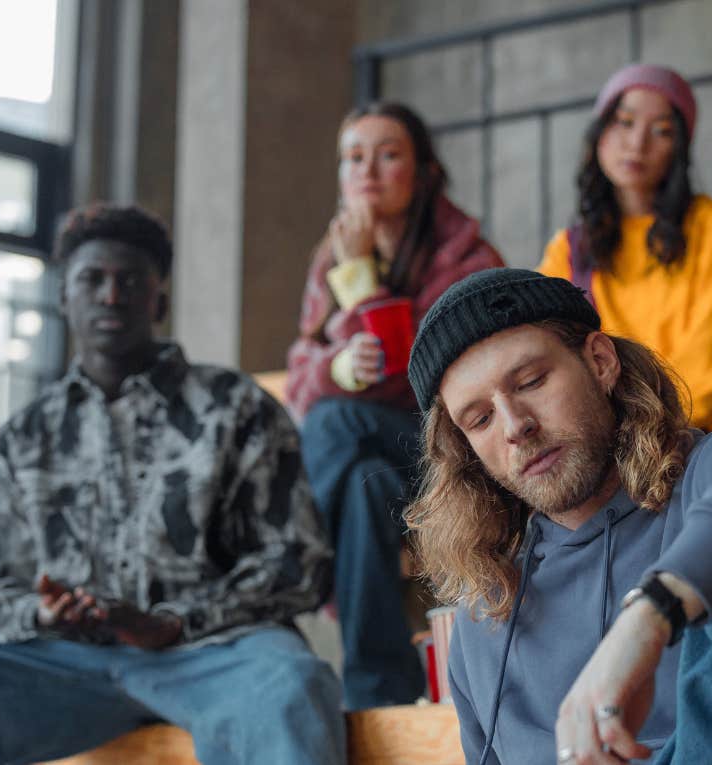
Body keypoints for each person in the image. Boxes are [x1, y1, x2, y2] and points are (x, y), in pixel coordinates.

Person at [0, 204, 345, 765]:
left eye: (131, 281)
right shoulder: (26, 437)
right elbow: (2, 594)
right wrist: (47, 617)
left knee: (292, 684)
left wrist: (170, 625)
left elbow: (299, 563)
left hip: (217, 654)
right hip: (71, 667)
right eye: (92, 280)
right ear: (64, 297)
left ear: (159, 301)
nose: (111, 296)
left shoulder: (235, 407)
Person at [404, 269, 712, 764]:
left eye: (532, 380)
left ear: (601, 361)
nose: (515, 426)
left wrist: (649, 620)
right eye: (481, 419)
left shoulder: (706, 479)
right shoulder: (485, 617)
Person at [285, 102, 504, 709]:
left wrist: (359, 278)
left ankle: (289, 560)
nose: (368, 172)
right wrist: (334, 366)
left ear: (425, 171)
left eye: (388, 155)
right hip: (382, 471)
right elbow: (301, 374)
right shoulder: (328, 253)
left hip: (454, 449)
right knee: (359, 487)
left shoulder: (466, 256)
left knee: (336, 419)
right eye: (354, 157)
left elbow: (417, 377)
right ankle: (378, 692)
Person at [537, 64, 712, 431]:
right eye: (624, 122)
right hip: (625, 443)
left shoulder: (709, 225)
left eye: (662, 131)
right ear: (599, 133)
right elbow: (554, 357)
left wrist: (648, 433)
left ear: (678, 149)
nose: (638, 144)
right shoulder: (569, 251)